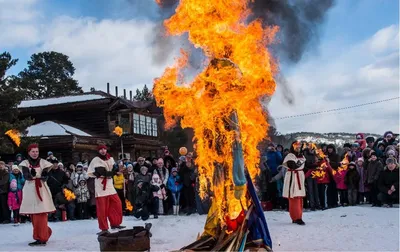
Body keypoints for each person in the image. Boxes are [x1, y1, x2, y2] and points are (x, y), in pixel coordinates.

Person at [19, 143, 55, 246]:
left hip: (41, 188)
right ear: (29, 152)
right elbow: (26, 176)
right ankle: (42, 234)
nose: (35, 153)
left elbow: (46, 175)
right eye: (33, 151)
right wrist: (31, 175)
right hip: (30, 189)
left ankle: (43, 237)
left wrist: (43, 176)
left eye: (37, 151)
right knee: (34, 214)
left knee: (42, 213)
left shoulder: (43, 162)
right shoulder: (25, 163)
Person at [87, 144, 124, 235]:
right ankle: (104, 228)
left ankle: (115, 223)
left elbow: (114, 168)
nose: (103, 151)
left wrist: (119, 168)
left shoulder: (110, 158)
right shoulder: (96, 160)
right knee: (102, 209)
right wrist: (115, 172)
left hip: (110, 185)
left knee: (117, 204)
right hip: (101, 186)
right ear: (98, 151)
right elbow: (102, 172)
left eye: (104, 149)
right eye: (101, 149)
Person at [274, 141, 306, 225]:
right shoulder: (290, 156)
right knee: (294, 197)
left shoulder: (302, 156)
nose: (298, 147)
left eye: (300, 146)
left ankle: (299, 216)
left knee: (299, 198)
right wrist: (302, 161)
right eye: (297, 146)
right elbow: (293, 166)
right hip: (293, 177)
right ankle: (296, 217)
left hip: (299, 176)